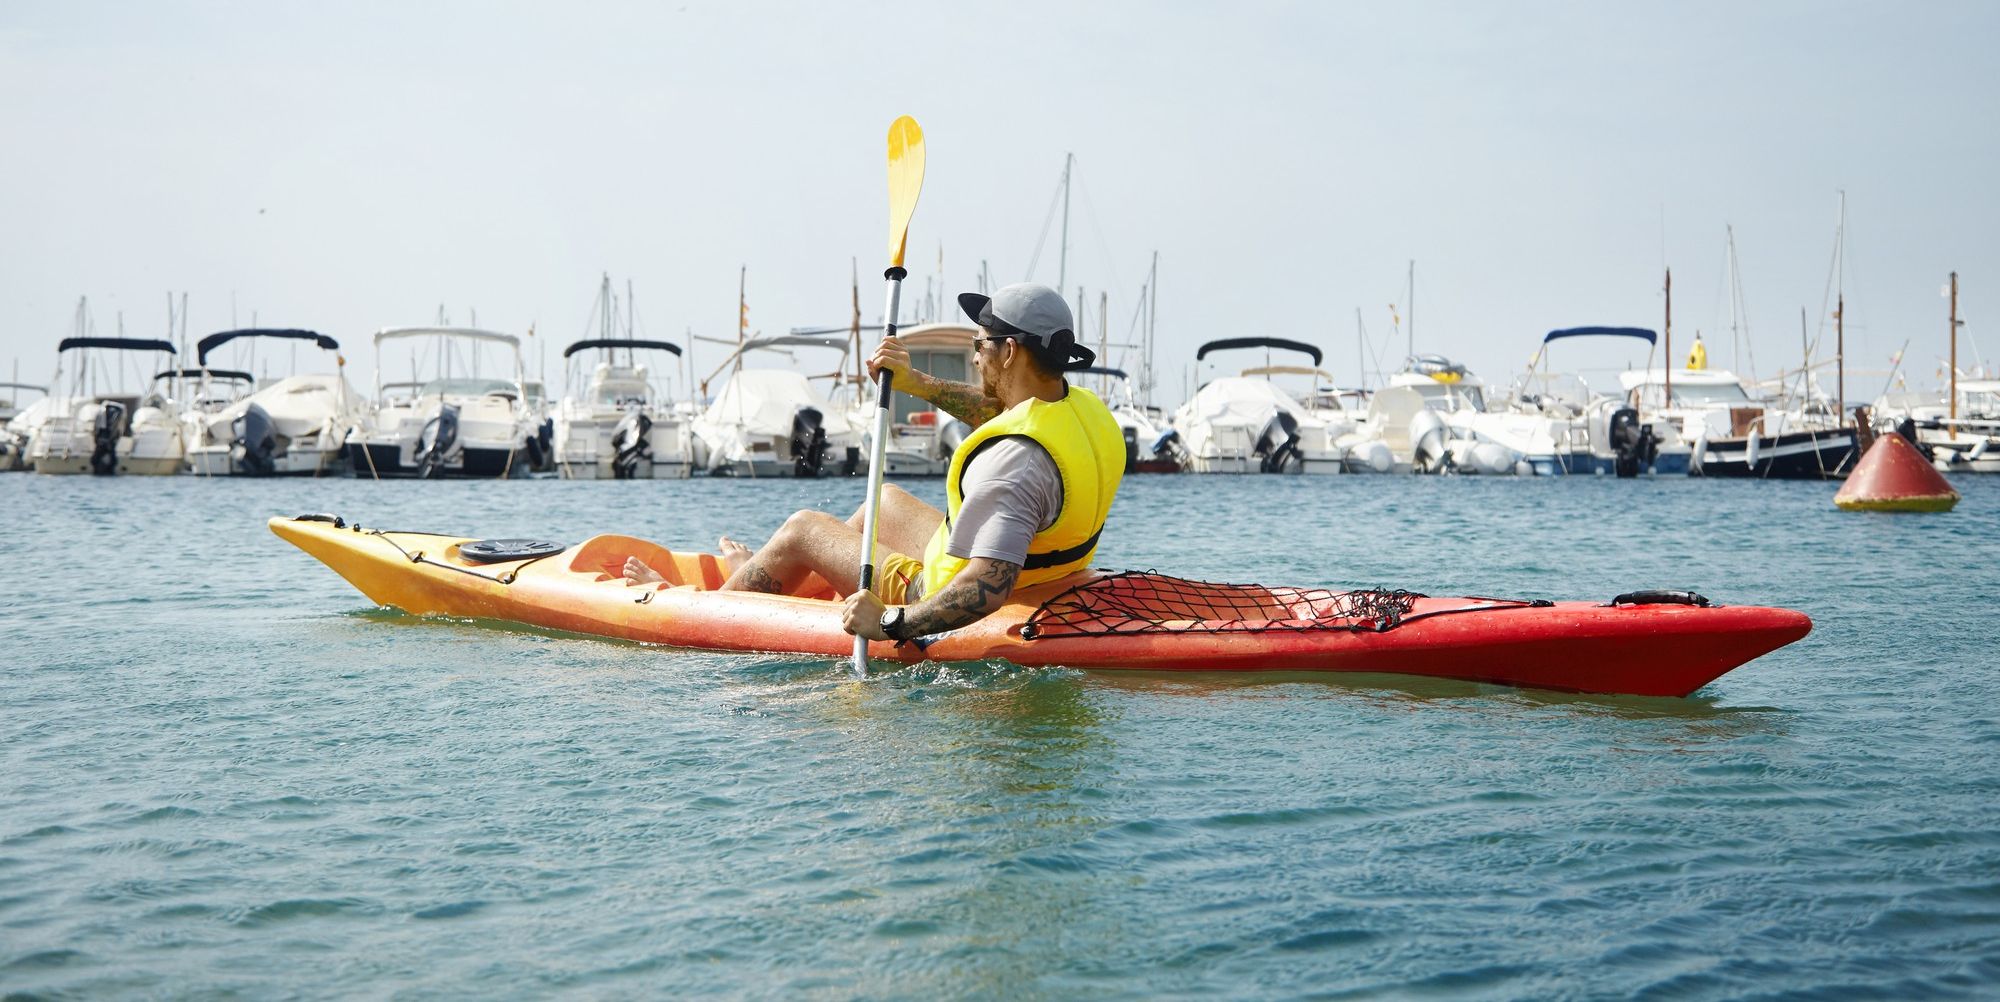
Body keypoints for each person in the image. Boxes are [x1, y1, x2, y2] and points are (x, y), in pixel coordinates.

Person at [623, 282, 1127, 645]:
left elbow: (985, 588)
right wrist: (914, 382)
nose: (975, 357)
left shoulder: (1016, 462)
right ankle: (778, 580)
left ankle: (715, 600)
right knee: (880, 503)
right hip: (1046, 571)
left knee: (802, 527)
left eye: (979, 346)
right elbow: (996, 409)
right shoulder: (1080, 409)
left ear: (1010, 351)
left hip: (945, 590)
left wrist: (890, 622)